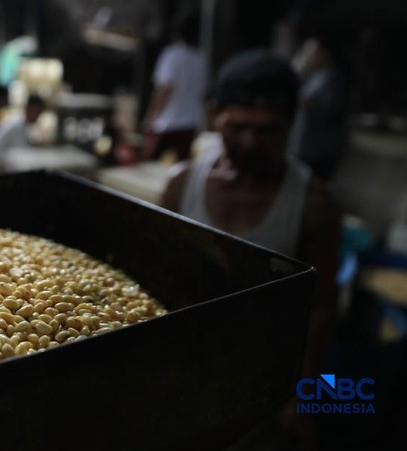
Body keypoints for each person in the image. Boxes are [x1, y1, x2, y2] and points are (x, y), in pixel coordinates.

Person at [161, 49, 342, 446]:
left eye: (268, 130)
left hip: (264, 382)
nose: (250, 142)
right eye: (237, 127)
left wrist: (303, 397)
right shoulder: (182, 184)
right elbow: (156, 278)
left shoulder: (312, 204)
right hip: (185, 369)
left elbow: (321, 308)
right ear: (215, 117)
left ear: (292, 124)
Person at [142, 11, 208, 161]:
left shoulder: (171, 55)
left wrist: (150, 119)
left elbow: (164, 90)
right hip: (190, 124)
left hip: (168, 124)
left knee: (150, 165)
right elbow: (203, 94)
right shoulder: (201, 59)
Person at [289, 35, 348, 180]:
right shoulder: (314, 76)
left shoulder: (333, 78)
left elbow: (330, 109)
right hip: (304, 146)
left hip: (320, 149)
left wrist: (306, 103)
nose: (310, 57)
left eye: (313, 53)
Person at [0, 94, 45, 174]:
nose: (38, 116)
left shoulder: (17, 122)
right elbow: (23, 157)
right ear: (28, 109)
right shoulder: (17, 127)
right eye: (37, 112)